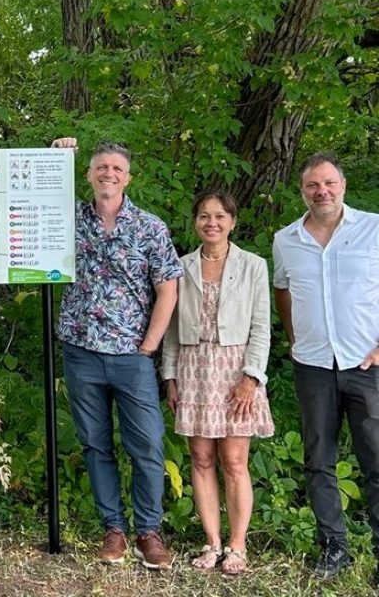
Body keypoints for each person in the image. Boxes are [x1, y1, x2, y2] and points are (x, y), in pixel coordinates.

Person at [50, 137, 182, 569]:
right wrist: (57, 156)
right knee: (95, 444)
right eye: (100, 167)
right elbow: (34, 198)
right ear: (88, 175)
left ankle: (148, 531)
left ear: (128, 177)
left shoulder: (150, 227)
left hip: (132, 356)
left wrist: (148, 346)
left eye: (117, 168)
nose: (109, 173)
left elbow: (168, 290)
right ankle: (114, 530)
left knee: (146, 444)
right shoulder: (67, 219)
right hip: (81, 351)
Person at [273, 152, 379, 582]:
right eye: (314, 185)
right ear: (302, 191)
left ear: (343, 185)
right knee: (319, 460)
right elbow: (282, 290)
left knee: (376, 460)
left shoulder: (373, 228)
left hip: (366, 364)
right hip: (313, 365)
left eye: (330, 183)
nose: (323, 192)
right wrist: (295, 338)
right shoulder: (286, 239)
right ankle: (334, 548)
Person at [163, 190, 274, 574]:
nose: (212, 222)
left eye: (220, 216)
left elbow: (262, 326)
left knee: (234, 460)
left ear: (232, 221)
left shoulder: (253, 265)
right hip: (194, 369)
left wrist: (252, 377)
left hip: (235, 369)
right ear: (195, 222)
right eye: (204, 216)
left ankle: (237, 545)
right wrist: (170, 376)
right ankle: (211, 542)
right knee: (201, 458)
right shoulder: (181, 265)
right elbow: (173, 330)